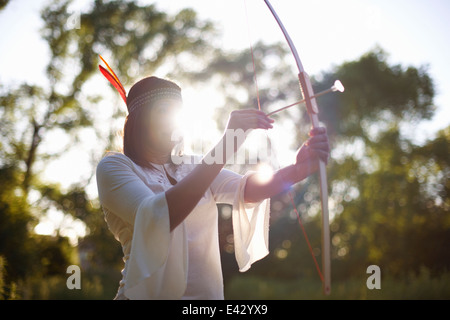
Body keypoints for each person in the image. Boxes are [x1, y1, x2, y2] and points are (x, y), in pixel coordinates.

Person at [96, 65, 330, 300]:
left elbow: (246, 189)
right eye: (163, 110)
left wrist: (297, 170)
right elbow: (158, 215)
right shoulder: (115, 167)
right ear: (139, 119)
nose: (172, 121)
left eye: (177, 112)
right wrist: (228, 143)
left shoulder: (195, 165)